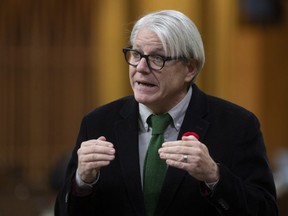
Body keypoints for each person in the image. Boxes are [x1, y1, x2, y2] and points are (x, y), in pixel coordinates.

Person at [55, 10, 278, 216]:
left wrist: (214, 176)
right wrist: (81, 182)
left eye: (157, 58)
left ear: (190, 68)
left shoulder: (237, 125)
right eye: (135, 54)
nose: (141, 67)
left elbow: (265, 210)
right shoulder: (97, 123)